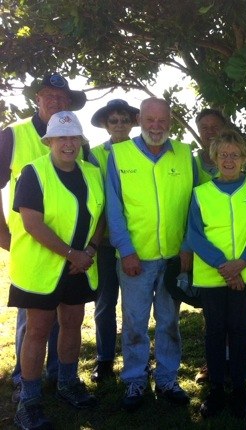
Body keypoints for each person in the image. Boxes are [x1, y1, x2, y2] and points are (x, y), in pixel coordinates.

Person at [8, 111, 104, 429]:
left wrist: (89, 250)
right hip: (41, 270)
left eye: (74, 137)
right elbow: (32, 223)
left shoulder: (91, 172)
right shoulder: (33, 173)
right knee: (37, 331)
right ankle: (29, 400)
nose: (68, 144)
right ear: (49, 141)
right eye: (61, 138)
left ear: (80, 141)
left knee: (73, 324)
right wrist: (71, 253)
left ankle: (66, 383)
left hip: (78, 268)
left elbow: (100, 215)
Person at [0, 72, 87, 403]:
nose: (56, 101)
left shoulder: (78, 141)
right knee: (33, 325)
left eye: (62, 98)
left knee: (68, 322)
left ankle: (60, 377)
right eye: (49, 95)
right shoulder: (13, 134)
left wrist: (87, 247)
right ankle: (25, 384)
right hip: (32, 251)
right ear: (37, 99)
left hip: (74, 256)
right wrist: (3, 235)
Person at [106, 97, 197, 411]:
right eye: (150, 120)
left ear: (170, 122)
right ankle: (134, 381)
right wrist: (126, 251)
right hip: (136, 259)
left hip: (175, 257)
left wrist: (188, 248)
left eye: (162, 120)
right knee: (134, 322)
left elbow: (196, 209)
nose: (156, 126)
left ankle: (168, 379)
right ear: (139, 120)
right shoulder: (118, 155)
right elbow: (114, 209)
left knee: (170, 321)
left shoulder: (186, 155)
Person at [187, 129, 246, 418]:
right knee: (215, 331)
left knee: (239, 328)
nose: (229, 160)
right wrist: (225, 265)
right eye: (223, 155)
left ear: (244, 158)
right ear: (214, 158)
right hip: (213, 275)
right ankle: (217, 389)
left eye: (235, 155)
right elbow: (194, 235)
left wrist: (242, 262)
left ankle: (240, 390)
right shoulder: (201, 193)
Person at [88, 99, 139, 382]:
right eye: (113, 120)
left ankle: (135, 358)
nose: (119, 125)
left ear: (132, 123)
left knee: (134, 305)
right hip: (106, 243)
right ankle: (105, 358)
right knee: (105, 302)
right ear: (106, 125)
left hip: (135, 242)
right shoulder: (95, 155)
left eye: (124, 119)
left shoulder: (140, 152)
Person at [194, 108, 246, 183]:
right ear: (198, 131)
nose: (210, 131)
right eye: (204, 128)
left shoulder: (243, 159)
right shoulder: (192, 163)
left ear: (224, 129)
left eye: (215, 127)